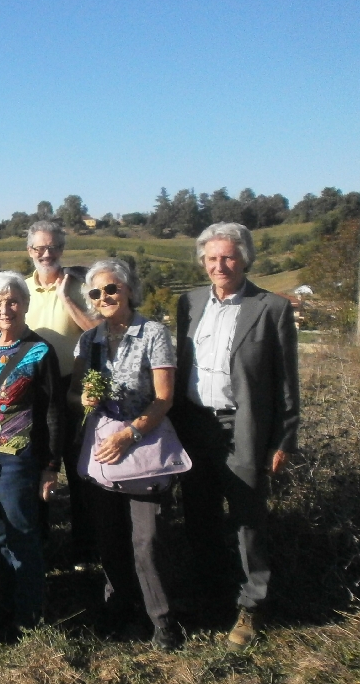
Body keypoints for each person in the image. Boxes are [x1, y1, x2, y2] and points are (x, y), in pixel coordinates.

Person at [170, 222, 299, 650]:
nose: (219, 265)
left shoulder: (270, 308)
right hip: (194, 424)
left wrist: (282, 439)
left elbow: (285, 383)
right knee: (200, 514)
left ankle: (252, 605)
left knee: (247, 518)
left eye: (228, 257)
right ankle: (210, 594)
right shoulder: (187, 303)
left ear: (244, 258)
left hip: (243, 427)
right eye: (211, 258)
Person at [69, 258, 182, 650]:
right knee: (110, 539)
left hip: (143, 445)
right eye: (96, 293)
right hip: (102, 449)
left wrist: (131, 433)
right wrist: (81, 397)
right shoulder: (90, 341)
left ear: (129, 289)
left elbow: (164, 398)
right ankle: (120, 610)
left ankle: (163, 622)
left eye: (112, 288)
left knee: (147, 542)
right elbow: (74, 393)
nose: (105, 297)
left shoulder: (153, 333)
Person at [0, 271, 63, 632]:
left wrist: (51, 466)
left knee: (22, 534)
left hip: (17, 457)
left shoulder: (41, 351)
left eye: (13, 301)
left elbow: (54, 412)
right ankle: (7, 602)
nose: (5, 309)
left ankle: (29, 614)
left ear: (25, 305)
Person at [22, 220, 99, 556]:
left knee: (80, 468)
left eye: (53, 247)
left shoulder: (81, 285)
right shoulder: (21, 289)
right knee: (39, 465)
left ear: (62, 249)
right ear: (29, 252)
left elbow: (98, 330)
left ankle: (85, 544)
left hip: (75, 387)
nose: (46, 253)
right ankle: (40, 541)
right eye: (39, 248)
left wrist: (68, 299)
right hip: (36, 392)